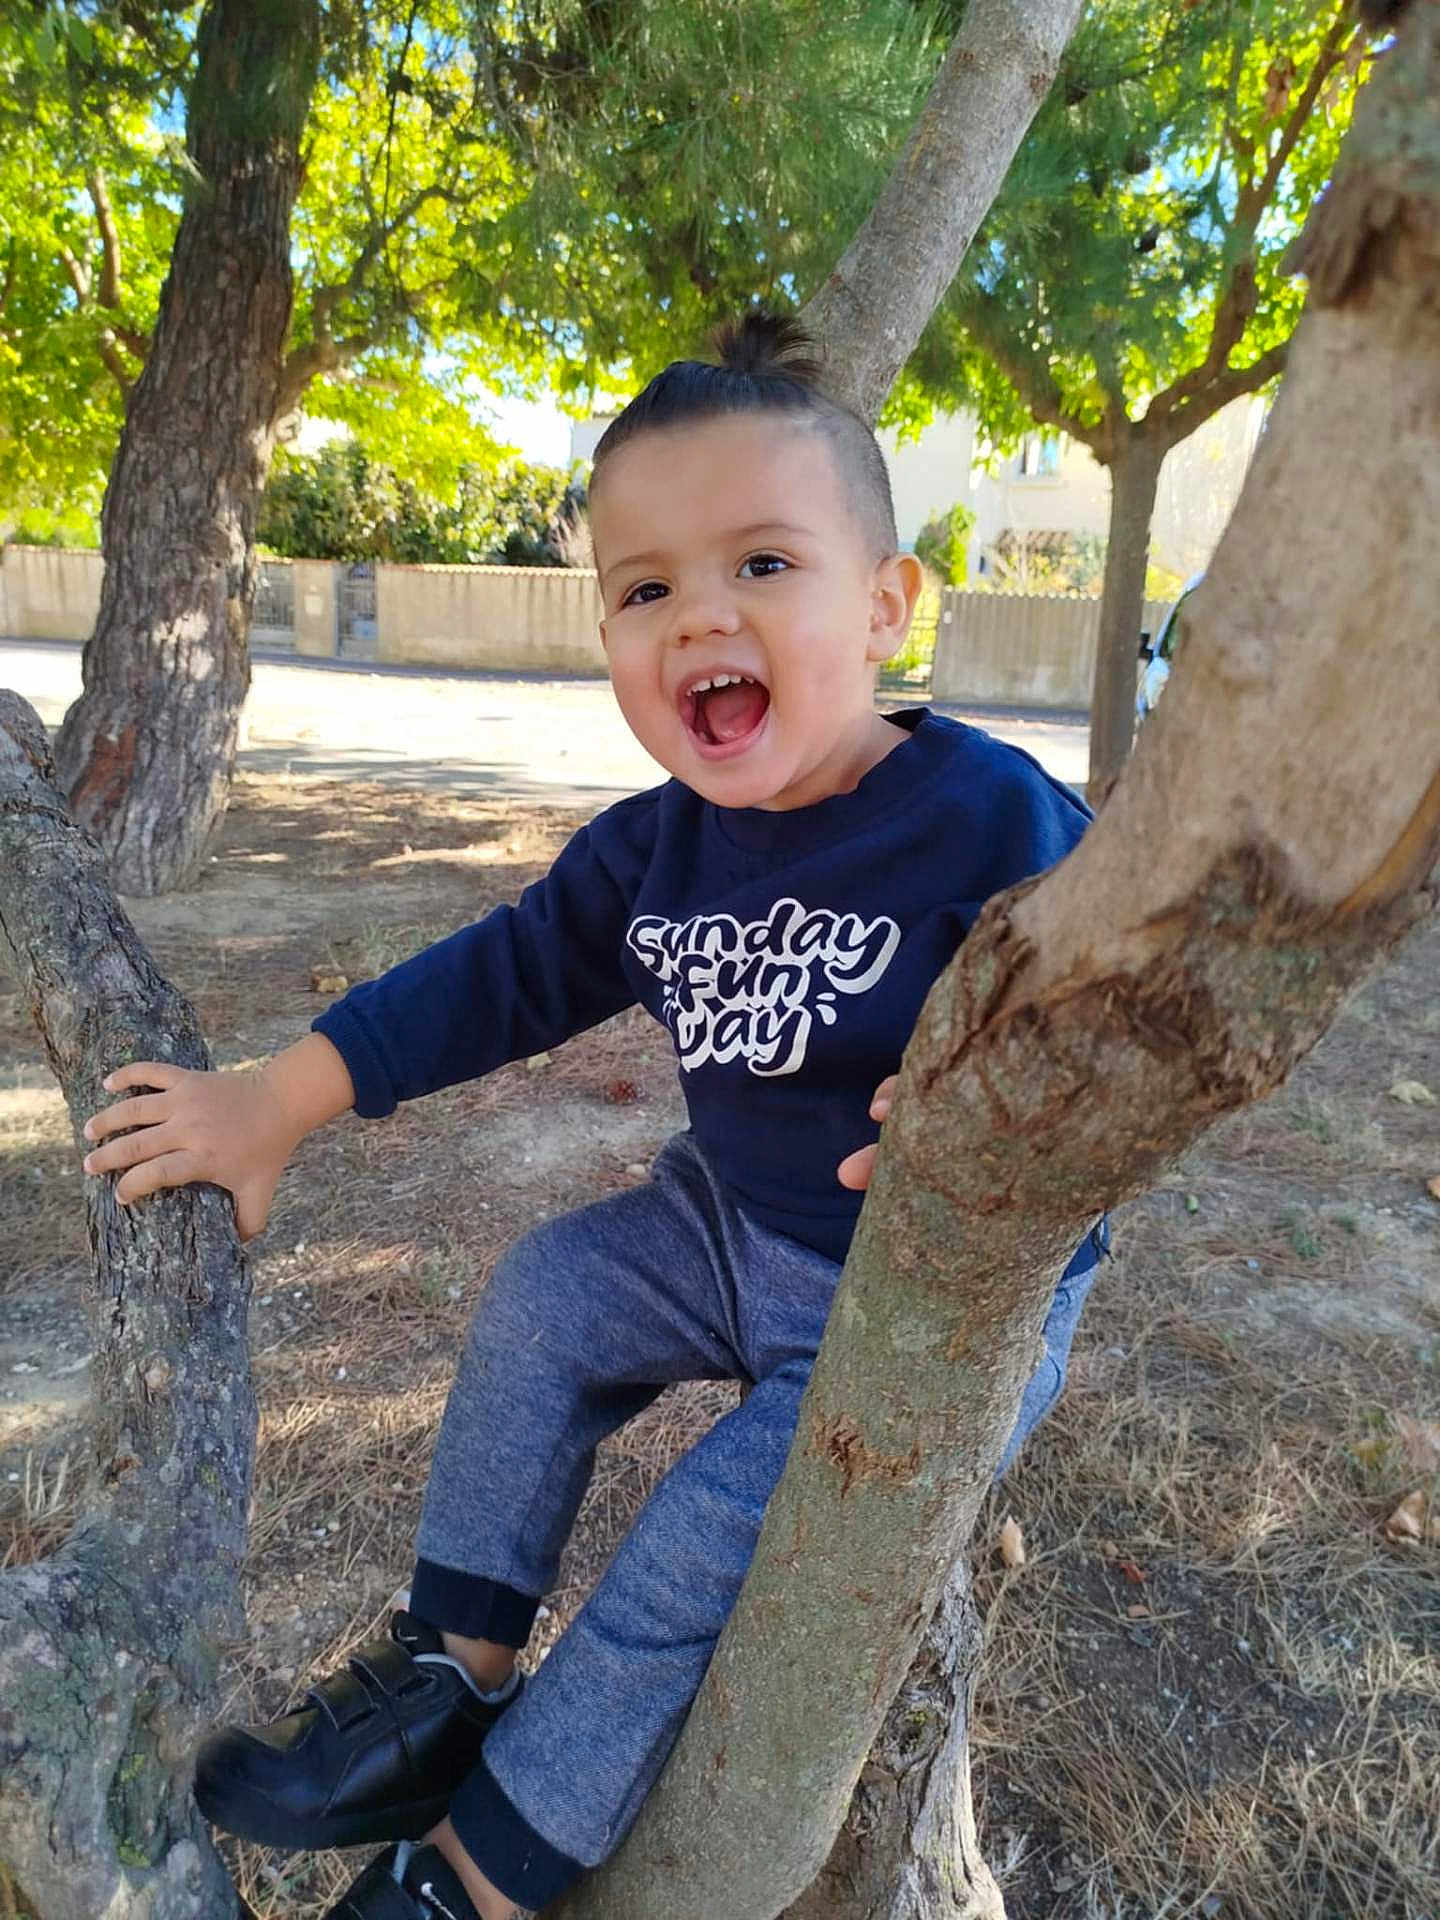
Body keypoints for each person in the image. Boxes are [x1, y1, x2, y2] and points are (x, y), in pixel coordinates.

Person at [80, 313, 1106, 1920]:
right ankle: (450, 1675)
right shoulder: (659, 850)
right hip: (733, 1224)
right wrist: (276, 1100)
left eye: (765, 564)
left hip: (930, 1311)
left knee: (701, 1546)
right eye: (645, 589)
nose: (700, 611)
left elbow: (1127, 1009)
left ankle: (476, 1880)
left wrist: (1017, 1100)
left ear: (892, 607)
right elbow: (496, 979)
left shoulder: (995, 815)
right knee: (549, 1295)